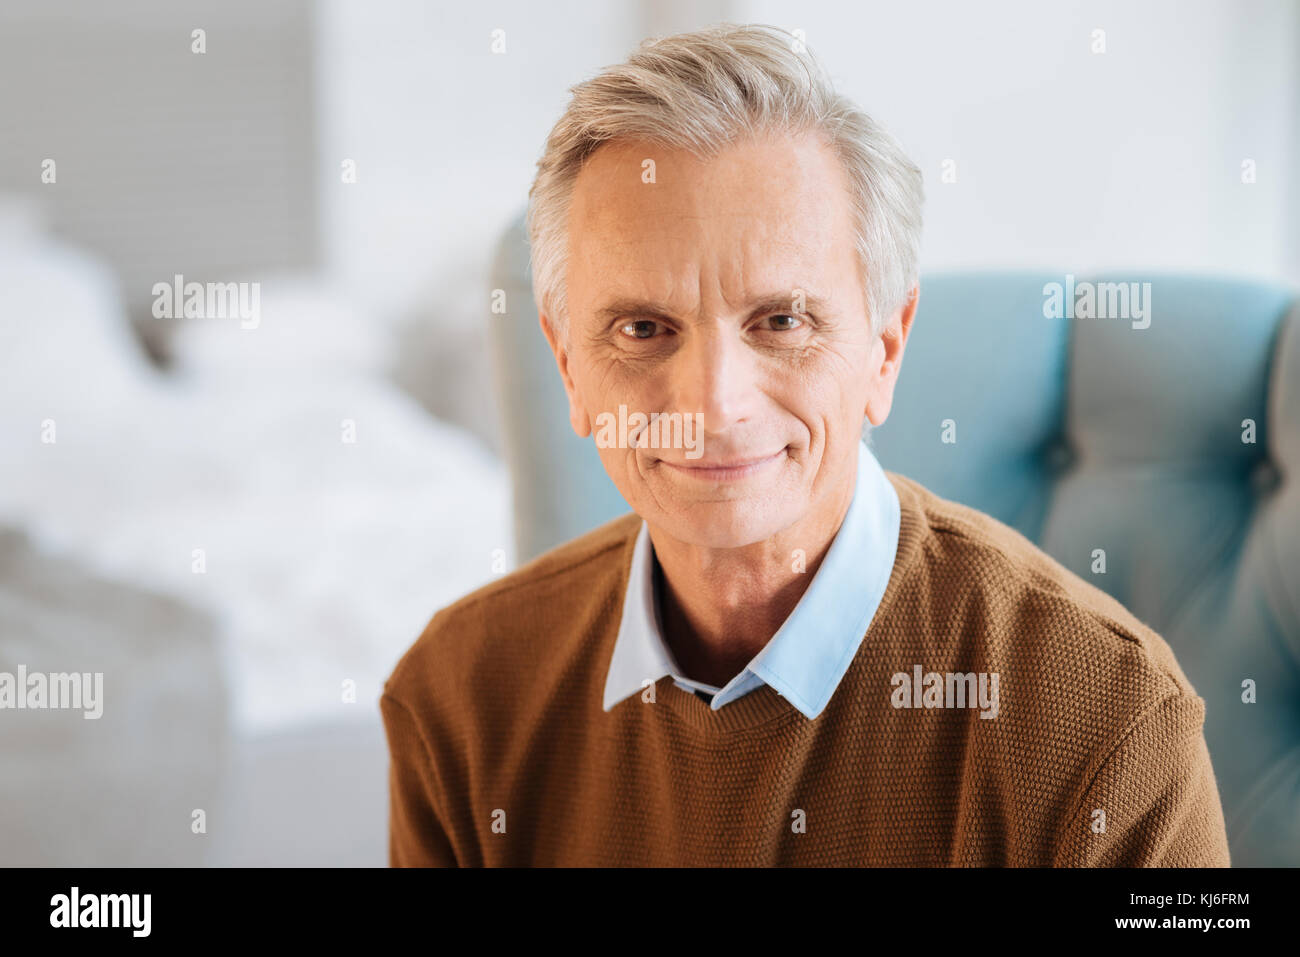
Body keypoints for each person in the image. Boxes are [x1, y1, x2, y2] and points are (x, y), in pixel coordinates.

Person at [380, 23, 1230, 866]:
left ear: (884, 351)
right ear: (569, 369)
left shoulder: (1110, 727)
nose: (715, 404)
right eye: (643, 328)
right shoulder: (456, 697)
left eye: (781, 320)